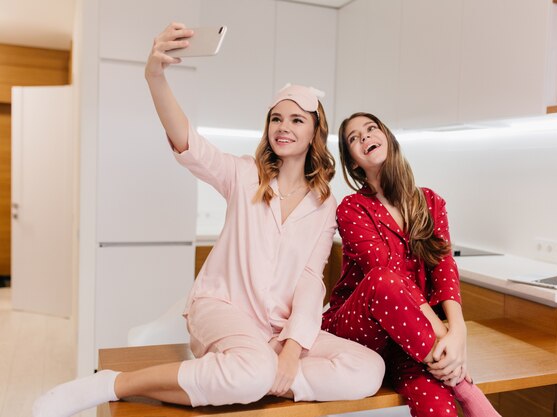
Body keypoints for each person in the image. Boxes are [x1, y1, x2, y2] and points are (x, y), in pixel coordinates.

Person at [32, 23, 384, 417]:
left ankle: (250, 379)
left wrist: (291, 350)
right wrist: (155, 75)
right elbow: (187, 142)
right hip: (221, 308)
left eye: (297, 120)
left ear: (315, 132)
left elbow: (308, 280)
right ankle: (113, 383)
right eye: (276, 119)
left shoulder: (324, 203)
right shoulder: (242, 173)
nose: (284, 127)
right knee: (254, 369)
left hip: (276, 330)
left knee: (368, 369)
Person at [322, 112, 501, 417]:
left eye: (371, 129)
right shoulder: (352, 208)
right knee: (383, 279)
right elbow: (386, 273)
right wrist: (445, 339)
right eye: (354, 138)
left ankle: (451, 377)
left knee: (439, 410)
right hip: (362, 327)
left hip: (415, 342)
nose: (365, 137)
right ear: (353, 162)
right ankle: (465, 388)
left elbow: (444, 268)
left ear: (388, 138)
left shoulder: (431, 202)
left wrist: (458, 333)